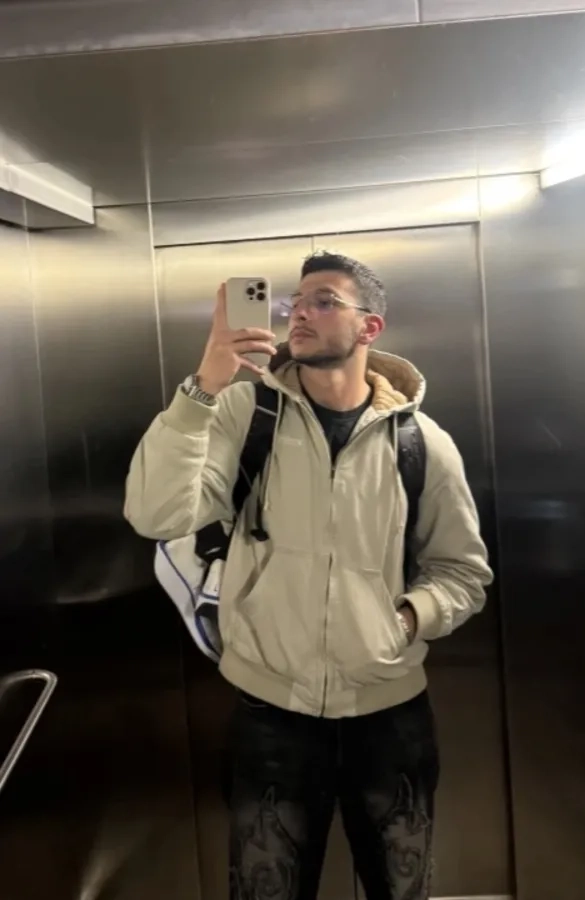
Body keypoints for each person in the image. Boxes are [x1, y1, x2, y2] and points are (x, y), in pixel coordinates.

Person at [124, 251, 493, 900]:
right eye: (296, 301)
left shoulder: (420, 441)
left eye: (324, 301)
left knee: (400, 888)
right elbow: (156, 514)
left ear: (369, 327)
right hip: (271, 717)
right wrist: (202, 389)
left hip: (390, 717)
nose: (299, 313)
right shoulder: (244, 415)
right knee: (265, 890)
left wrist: (404, 621)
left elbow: (462, 572)